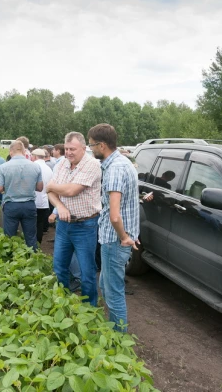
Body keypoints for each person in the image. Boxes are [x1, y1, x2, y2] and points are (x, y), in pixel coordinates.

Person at [88, 123, 140, 332]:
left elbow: (115, 215)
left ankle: (118, 340)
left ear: (102, 145)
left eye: (91, 145)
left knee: (113, 291)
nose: (90, 149)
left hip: (114, 240)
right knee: (105, 284)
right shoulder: (121, 162)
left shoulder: (115, 169)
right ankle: (112, 329)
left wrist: (125, 237)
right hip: (116, 238)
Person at [47, 132, 101, 307]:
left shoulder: (92, 165)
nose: (69, 152)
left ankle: (89, 308)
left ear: (84, 149)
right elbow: (50, 192)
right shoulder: (63, 163)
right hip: (63, 224)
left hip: (85, 224)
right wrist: (60, 207)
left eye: (73, 149)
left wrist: (53, 187)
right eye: (67, 148)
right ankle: (64, 302)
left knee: (87, 271)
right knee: (59, 266)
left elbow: (71, 191)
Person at [0, 140, 43, 250]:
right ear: (24, 151)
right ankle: (32, 260)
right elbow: (40, 188)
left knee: (9, 237)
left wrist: (8, 187)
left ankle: (11, 261)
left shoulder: (4, 167)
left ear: (10, 151)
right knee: (30, 237)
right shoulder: (35, 166)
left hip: (11, 204)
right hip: (29, 205)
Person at [32, 148, 54, 243]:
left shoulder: (32, 166)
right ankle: (38, 243)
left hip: (33, 199)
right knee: (39, 223)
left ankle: (31, 244)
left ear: (35, 156)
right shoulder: (48, 168)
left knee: (31, 224)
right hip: (44, 200)